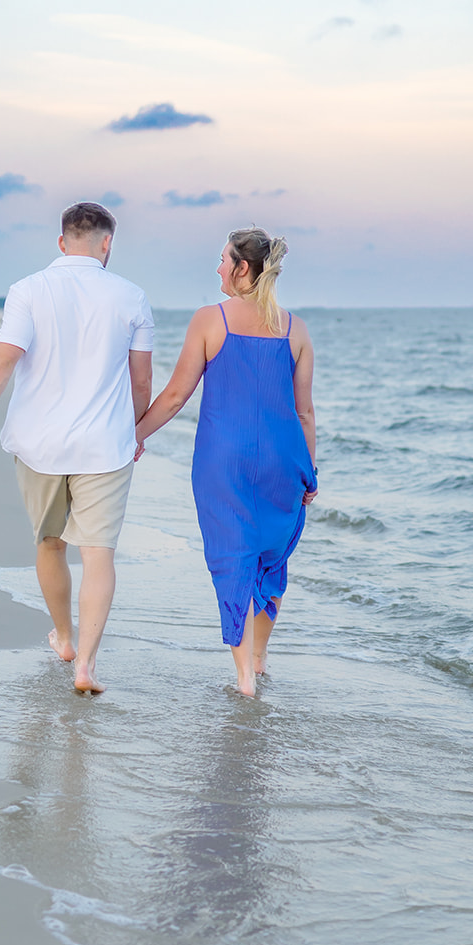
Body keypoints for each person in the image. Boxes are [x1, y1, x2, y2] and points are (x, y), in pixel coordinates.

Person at [0, 201, 153, 694]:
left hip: (38, 443)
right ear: (107, 243)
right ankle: (85, 664)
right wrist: (137, 431)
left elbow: (4, 357)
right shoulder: (131, 296)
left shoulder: (28, 290)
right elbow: (141, 379)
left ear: (62, 242)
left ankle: (63, 638)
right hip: (105, 445)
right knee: (99, 553)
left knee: (49, 543)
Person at [135, 228, 316, 697]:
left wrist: (133, 436)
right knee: (271, 560)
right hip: (283, 460)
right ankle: (259, 659)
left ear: (241, 268)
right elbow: (304, 412)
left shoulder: (209, 320)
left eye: (222, 260)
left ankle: (243, 679)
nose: (217, 268)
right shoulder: (296, 329)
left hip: (224, 461)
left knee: (233, 559)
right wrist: (309, 471)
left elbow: (176, 396)